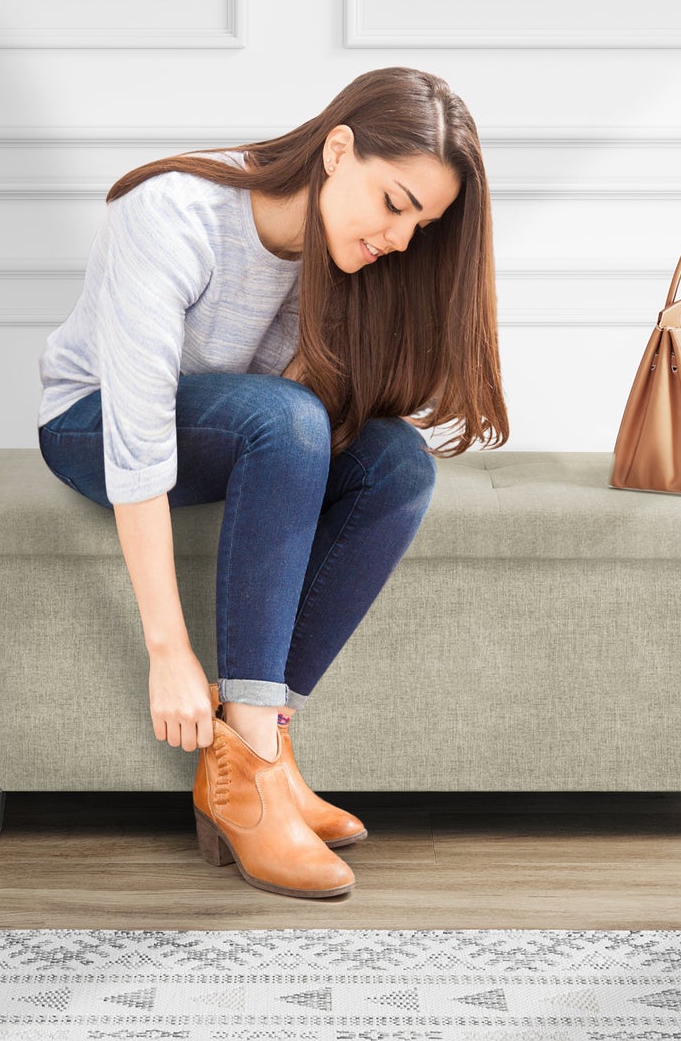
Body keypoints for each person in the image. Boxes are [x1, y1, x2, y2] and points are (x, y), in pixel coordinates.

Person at [36, 65, 509, 899]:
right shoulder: (173, 212)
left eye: (421, 223)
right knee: (285, 419)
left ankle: (259, 750)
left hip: (234, 429)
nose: (401, 237)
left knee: (396, 462)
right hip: (92, 420)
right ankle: (252, 770)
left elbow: (312, 430)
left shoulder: (343, 263)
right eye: (395, 202)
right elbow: (139, 433)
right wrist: (168, 651)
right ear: (336, 149)